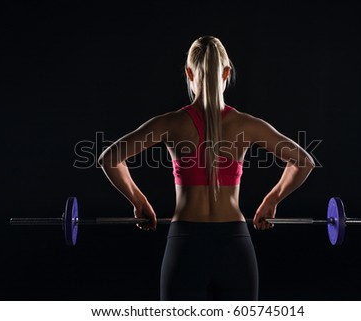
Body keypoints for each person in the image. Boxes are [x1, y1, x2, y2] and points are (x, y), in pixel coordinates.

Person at [98, 36, 315, 300]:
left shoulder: (170, 123)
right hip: (235, 244)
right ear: (227, 72)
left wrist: (139, 200)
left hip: (185, 244)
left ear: (189, 73)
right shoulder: (247, 125)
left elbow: (109, 158)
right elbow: (303, 161)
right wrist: (272, 200)